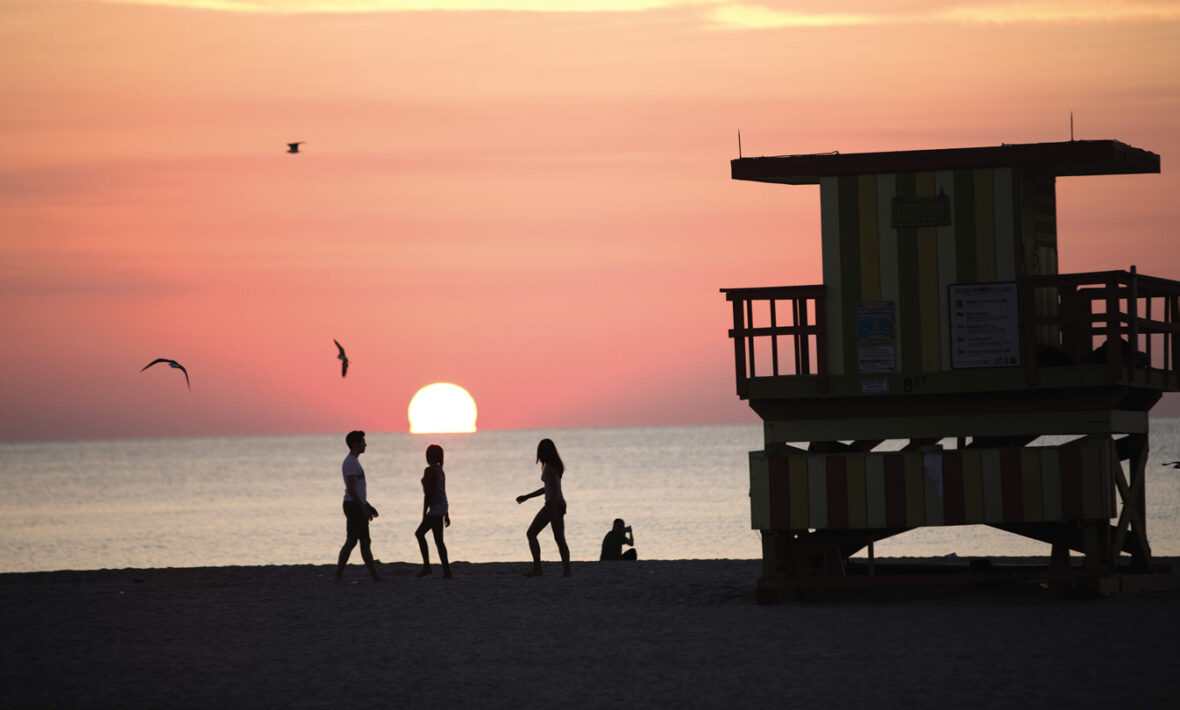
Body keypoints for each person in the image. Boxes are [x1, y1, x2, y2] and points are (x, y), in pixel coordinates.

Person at [515, 438, 571, 577]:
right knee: (559, 539)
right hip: (557, 504)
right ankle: (566, 571)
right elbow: (548, 488)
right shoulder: (553, 466)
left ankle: (538, 569)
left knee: (531, 533)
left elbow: (554, 491)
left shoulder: (550, 467)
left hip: (553, 505)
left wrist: (552, 510)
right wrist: (527, 496)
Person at [334, 430, 382, 582]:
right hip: (352, 506)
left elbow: (358, 491)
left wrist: (368, 506)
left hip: (357, 505)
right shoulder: (350, 463)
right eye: (363, 442)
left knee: (365, 541)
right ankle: (338, 575)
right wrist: (362, 508)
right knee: (352, 541)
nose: (365, 444)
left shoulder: (354, 462)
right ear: (356, 444)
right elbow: (352, 489)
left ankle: (375, 577)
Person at [414, 443, 451, 578]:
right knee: (439, 540)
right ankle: (446, 571)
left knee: (419, 534)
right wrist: (446, 513)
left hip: (435, 508)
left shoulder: (429, 471)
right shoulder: (440, 470)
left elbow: (428, 494)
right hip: (441, 507)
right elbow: (443, 492)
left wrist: (424, 514)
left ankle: (428, 567)